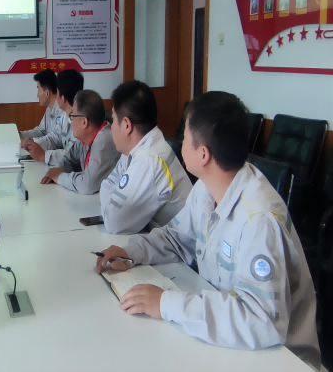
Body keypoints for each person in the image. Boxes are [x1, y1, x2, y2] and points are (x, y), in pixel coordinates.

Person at [95, 92, 320, 370]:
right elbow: (177, 239)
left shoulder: (259, 220)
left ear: (203, 154)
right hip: (229, 337)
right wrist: (130, 251)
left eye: (185, 136)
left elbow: (262, 320)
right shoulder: (207, 187)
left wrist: (166, 304)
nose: (180, 143)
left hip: (281, 358)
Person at [100, 81, 192, 234]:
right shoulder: (138, 146)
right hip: (158, 239)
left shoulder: (149, 160)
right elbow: (108, 182)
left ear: (127, 125)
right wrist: (111, 199)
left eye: (113, 120)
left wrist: (110, 200)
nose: (111, 127)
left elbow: (113, 222)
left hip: (177, 246)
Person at [41, 89, 119, 195]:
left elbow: (87, 185)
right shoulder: (85, 138)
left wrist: (59, 176)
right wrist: (56, 171)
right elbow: (69, 159)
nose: (71, 120)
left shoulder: (104, 141)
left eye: (73, 116)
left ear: (84, 122)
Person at [24, 69, 83, 163]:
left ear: (63, 98)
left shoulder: (80, 122)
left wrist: (44, 156)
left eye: (57, 92)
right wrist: (31, 144)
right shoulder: (66, 116)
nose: (56, 97)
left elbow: (72, 155)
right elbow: (53, 138)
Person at [19, 69, 66, 148]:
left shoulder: (63, 111)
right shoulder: (49, 109)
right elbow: (40, 131)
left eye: (38, 90)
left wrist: (27, 143)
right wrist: (21, 135)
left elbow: (53, 140)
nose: (37, 95)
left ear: (47, 93)